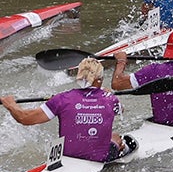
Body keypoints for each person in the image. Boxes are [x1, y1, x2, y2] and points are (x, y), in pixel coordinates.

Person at [1, 57, 133, 162]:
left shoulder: (61, 99)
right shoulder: (110, 99)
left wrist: (10, 104)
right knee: (116, 137)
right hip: (100, 158)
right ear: (100, 79)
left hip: (69, 157)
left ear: (78, 76)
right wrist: (106, 93)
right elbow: (120, 110)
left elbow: (24, 118)